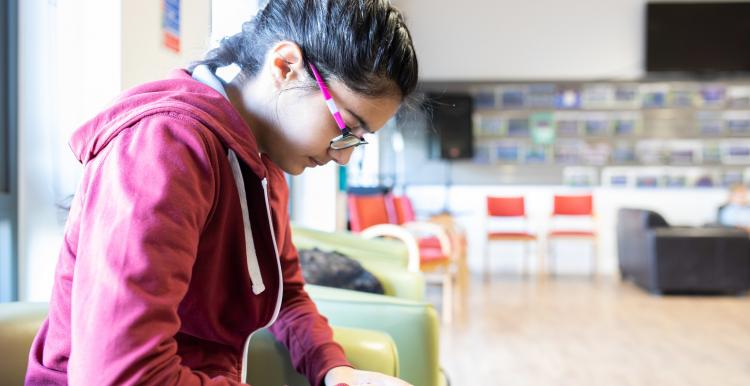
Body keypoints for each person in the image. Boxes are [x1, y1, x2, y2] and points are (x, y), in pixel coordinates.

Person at [25, 0, 418, 385]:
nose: (345, 157)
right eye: (345, 128)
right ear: (285, 66)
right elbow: (121, 374)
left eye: (359, 141)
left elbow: (287, 294)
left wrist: (336, 370)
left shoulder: (263, 164)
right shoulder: (165, 146)